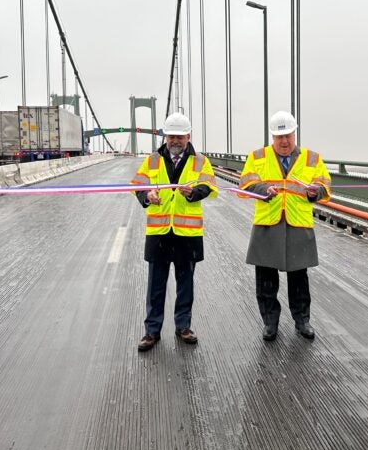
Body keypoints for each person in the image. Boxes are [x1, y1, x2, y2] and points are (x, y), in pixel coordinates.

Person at [239, 111, 331, 341]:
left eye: (288, 136)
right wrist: (262, 190)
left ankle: (302, 321)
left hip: (298, 222)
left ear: (294, 133)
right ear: (272, 136)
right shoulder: (257, 156)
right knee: (266, 278)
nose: (284, 141)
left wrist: (315, 191)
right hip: (268, 222)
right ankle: (270, 323)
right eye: (279, 137)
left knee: (299, 277)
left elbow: (325, 186)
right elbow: (246, 183)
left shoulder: (312, 158)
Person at [131, 113, 217, 352]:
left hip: (187, 234)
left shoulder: (200, 161)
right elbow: (137, 185)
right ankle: (151, 331)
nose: (175, 140)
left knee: (185, 284)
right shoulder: (152, 161)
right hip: (159, 232)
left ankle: (183, 326)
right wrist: (147, 196)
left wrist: (193, 193)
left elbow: (209, 186)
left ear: (188, 136)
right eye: (171, 136)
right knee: (156, 285)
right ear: (165, 136)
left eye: (179, 136)